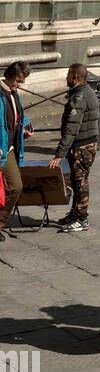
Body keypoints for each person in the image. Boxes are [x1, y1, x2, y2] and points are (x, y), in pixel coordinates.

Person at [49, 64, 99, 232]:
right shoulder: (84, 92)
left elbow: (72, 128)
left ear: (76, 77)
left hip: (82, 146)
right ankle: (75, 213)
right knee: (78, 181)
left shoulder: (79, 97)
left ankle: (82, 219)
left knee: (80, 181)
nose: (66, 78)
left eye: (68, 75)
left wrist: (59, 154)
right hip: (85, 143)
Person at [0, 61, 34, 240]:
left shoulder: (14, 94)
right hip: (0, 148)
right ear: (9, 76)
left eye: (22, 82)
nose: (19, 85)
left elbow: (18, 115)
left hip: (9, 148)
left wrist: (25, 126)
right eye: (18, 81)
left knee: (16, 186)